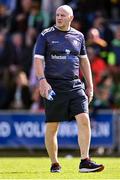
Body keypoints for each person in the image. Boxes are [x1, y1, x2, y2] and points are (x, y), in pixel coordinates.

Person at [34, 5, 104, 173]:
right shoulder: (46, 35)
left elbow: (84, 61)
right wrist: (42, 80)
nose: (59, 18)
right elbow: (37, 60)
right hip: (53, 86)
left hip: (75, 85)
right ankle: (54, 163)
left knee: (84, 119)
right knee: (52, 127)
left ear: (71, 18)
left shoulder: (78, 36)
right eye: (57, 15)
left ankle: (85, 161)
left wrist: (90, 85)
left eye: (63, 15)